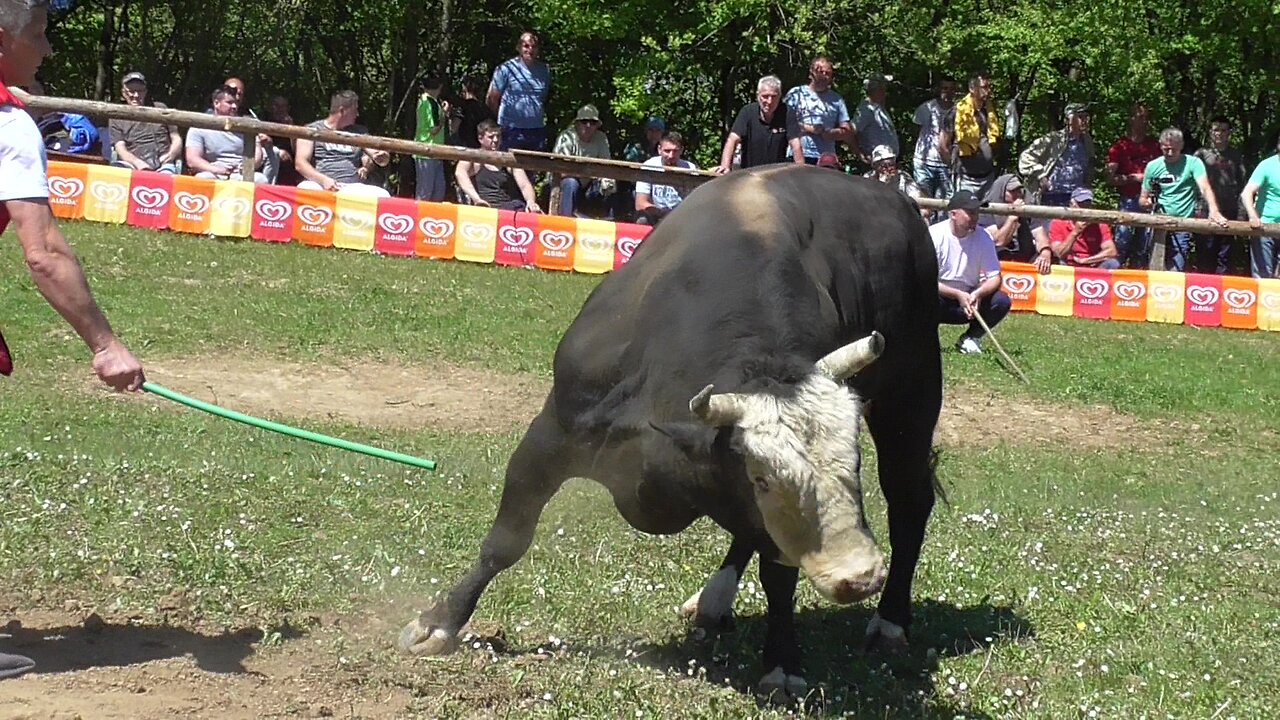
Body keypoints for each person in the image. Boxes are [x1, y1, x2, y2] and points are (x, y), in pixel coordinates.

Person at [1, 0, 146, 678]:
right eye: (38, 34)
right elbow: (44, 251)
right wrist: (104, 343)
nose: (48, 50)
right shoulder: (8, 127)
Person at [931, 189, 1011, 354]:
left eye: (977, 212)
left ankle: (971, 338)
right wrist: (957, 294)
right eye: (970, 213)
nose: (975, 217)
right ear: (954, 214)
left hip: (970, 301)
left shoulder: (984, 237)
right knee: (919, 298)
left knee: (1001, 301)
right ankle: (926, 338)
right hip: (937, 298)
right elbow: (926, 280)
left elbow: (995, 277)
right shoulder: (934, 235)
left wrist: (978, 294)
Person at [1139, 128, 1228, 271]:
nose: (1169, 153)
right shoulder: (1153, 166)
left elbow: (1204, 187)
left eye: (1173, 149)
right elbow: (1143, 198)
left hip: (1182, 224)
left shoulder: (1193, 163)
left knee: (1176, 268)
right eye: (1165, 149)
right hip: (1157, 224)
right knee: (1152, 266)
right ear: (1160, 145)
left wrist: (1214, 210)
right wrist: (1147, 203)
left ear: (1181, 146)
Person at [294, 90, 391, 197]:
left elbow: (376, 154)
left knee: (382, 194)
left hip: (352, 186)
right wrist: (323, 180)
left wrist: (382, 157)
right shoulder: (312, 129)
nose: (357, 114)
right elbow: (300, 164)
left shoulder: (359, 132)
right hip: (320, 184)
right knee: (305, 188)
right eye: (355, 110)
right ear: (342, 111)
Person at [1105, 103, 1162, 268]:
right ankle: (1112, 278)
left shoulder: (1155, 146)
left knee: (1144, 247)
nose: (1144, 121)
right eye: (1140, 117)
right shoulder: (1119, 146)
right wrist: (1133, 178)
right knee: (1121, 243)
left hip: (1150, 201)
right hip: (1128, 201)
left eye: (1146, 118)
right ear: (1131, 119)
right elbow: (1110, 178)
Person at [713, 74, 802, 173]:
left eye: (774, 97)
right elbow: (733, 139)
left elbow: (796, 144)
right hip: (749, 173)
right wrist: (725, 166)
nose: (769, 101)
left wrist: (801, 171)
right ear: (758, 95)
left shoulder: (787, 112)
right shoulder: (747, 112)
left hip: (776, 176)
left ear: (780, 96)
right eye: (765, 96)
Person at [1193, 116, 1248, 274]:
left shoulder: (1236, 156)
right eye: (1216, 130)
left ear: (1229, 133)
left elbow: (1242, 185)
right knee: (1205, 254)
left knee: (1225, 255)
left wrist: (1242, 213)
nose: (1220, 134)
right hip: (1204, 210)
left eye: (1224, 130)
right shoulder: (1201, 155)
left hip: (1229, 210)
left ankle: (1222, 292)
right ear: (1210, 132)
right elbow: (1193, 184)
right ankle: (1203, 291)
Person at [185, 86, 272, 182]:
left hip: (241, 173)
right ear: (216, 103)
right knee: (203, 178)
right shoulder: (199, 127)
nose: (234, 106)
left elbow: (257, 154)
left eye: (236, 103)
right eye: (229, 103)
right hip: (213, 172)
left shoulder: (247, 125)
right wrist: (217, 170)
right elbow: (192, 159)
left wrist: (247, 167)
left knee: (261, 179)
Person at [455, 120, 541, 211]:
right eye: (491, 137)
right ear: (480, 138)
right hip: (486, 208)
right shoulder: (474, 158)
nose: (495, 140)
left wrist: (531, 201)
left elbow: (524, 184)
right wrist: (477, 199)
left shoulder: (507, 159)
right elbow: (460, 173)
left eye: (498, 136)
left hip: (510, 209)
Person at [782, 56, 853, 165]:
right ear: (811, 73)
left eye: (827, 73)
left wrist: (832, 133)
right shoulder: (796, 94)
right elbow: (783, 122)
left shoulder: (837, 99)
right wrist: (810, 128)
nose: (823, 76)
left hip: (826, 158)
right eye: (820, 72)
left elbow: (847, 130)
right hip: (798, 154)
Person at [487, 31, 550, 151]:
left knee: (534, 166)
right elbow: (492, 98)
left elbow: (542, 98)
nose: (530, 50)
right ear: (518, 47)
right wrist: (499, 122)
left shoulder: (545, 70)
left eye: (534, 46)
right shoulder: (505, 69)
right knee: (510, 167)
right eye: (526, 46)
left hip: (536, 128)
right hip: (510, 128)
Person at [109, 71, 181, 173]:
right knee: (116, 173)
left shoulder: (160, 108)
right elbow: (120, 147)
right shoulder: (117, 115)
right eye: (131, 91)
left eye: (140, 91)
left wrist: (170, 155)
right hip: (131, 163)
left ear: (146, 91)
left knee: (166, 178)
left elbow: (176, 137)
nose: (136, 95)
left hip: (163, 163)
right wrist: (138, 163)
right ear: (124, 93)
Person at [941, 71, 1001, 195]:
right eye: (984, 87)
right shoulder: (957, 112)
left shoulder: (989, 111)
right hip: (965, 178)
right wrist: (952, 168)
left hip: (987, 177)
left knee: (986, 214)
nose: (988, 91)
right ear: (972, 89)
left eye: (989, 87)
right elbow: (943, 146)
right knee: (964, 212)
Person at [552, 103, 614, 217]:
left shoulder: (601, 138)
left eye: (593, 122)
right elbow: (560, 169)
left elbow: (606, 165)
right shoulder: (567, 137)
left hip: (590, 184)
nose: (588, 125)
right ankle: (566, 220)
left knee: (609, 183)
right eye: (584, 121)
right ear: (577, 123)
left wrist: (604, 180)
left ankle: (609, 221)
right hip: (565, 183)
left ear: (597, 125)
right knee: (571, 182)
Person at [980, 173, 1051, 272]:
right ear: (1002, 191)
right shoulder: (987, 211)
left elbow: (1038, 230)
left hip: (1026, 255)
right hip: (998, 258)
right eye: (1012, 191)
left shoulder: (1028, 206)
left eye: (1019, 190)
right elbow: (999, 242)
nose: (1018, 194)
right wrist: (1013, 216)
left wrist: (1045, 251)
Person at [635, 131, 697, 225]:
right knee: (642, 220)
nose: (671, 155)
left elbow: (695, 202)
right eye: (667, 151)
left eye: (675, 151)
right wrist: (664, 214)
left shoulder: (690, 168)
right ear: (659, 149)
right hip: (656, 215)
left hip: (683, 217)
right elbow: (640, 204)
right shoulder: (649, 166)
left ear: (681, 150)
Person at [1047, 188, 1119, 269]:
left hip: (1093, 265)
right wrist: (1076, 232)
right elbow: (1058, 253)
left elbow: (1112, 251)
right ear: (1072, 204)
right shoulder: (1058, 222)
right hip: (1068, 265)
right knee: (1059, 262)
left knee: (1112, 263)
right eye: (1081, 204)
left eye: (1088, 204)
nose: (1085, 208)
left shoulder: (1100, 225)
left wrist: (1087, 260)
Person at [1240, 135, 1280, 279]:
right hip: (1264, 227)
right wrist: (1253, 216)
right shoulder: (1267, 165)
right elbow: (1246, 193)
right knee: (1262, 276)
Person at [912, 76, 957, 204]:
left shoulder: (958, 111)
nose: (948, 92)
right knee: (924, 203)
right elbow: (915, 130)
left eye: (951, 89)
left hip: (945, 165)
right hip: (923, 162)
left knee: (945, 204)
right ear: (938, 89)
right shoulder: (926, 108)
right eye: (945, 88)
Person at [862, 145, 928, 219]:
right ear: (875, 167)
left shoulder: (903, 177)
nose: (888, 169)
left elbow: (916, 196)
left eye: (891, 165)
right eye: (884, 166)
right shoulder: (868, 179)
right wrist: (882, 185)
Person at [413, 73, 449, 201]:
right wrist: (444, 115)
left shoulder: (423, 100)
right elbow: (434, 129)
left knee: (437, 189)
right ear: (439, 87)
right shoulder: (431, 103)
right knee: (426, 192)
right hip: (427, 151)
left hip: (433, 151)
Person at [853, 72, 897, 164]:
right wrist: (859, 154)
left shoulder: (879, 108)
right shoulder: (866, 109)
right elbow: (850, 132)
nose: (885, 91)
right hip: (876, 162)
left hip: (888, 161)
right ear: (876, 90)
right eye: (883, 88)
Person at [451, 74, 492, 149]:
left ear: (465, 88)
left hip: (465, 146)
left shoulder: (463, 107)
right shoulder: (485, 109)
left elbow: (454, 128)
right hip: (480, 146)